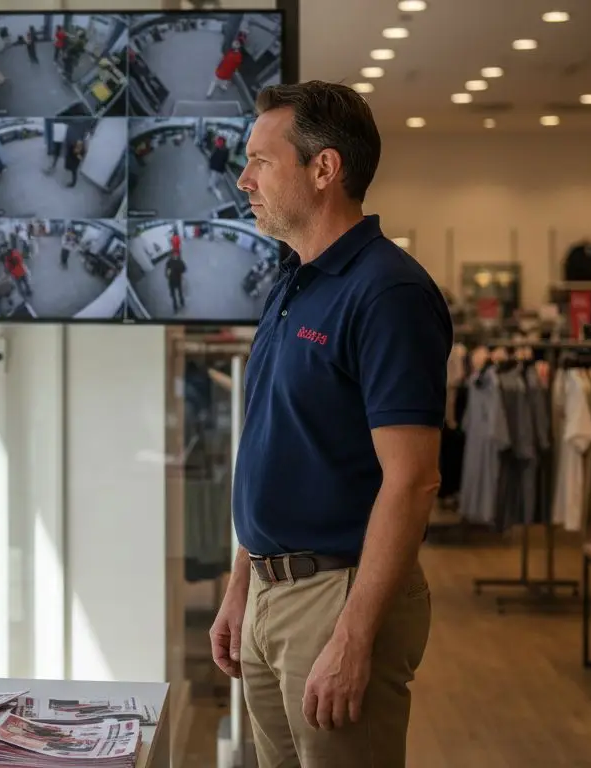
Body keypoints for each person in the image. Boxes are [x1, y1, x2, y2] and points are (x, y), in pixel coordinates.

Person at [210, 80, 451, 767]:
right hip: (269, 593)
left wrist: (353, 637)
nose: (243, 177)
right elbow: (277, 450)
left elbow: (413, 482)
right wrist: (241, 582)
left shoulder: (389, 292)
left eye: (261, 160)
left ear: (325, 169)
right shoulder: (293, 283)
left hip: (337, 597)